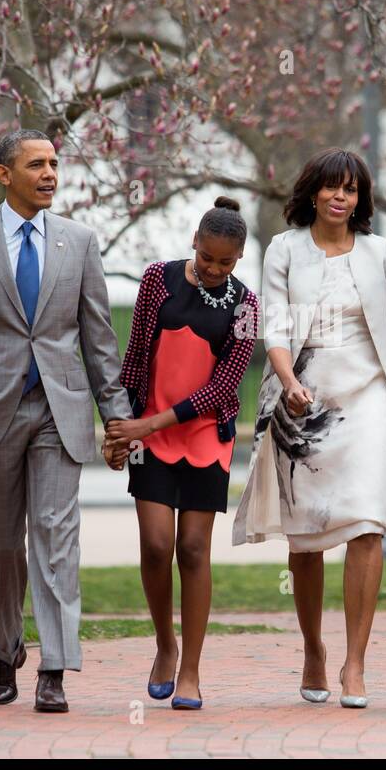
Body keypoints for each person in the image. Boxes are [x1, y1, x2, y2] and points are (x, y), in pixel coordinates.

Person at [232, 147, 386, 708]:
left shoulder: (379, 253)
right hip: (303, 405)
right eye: (332, 187)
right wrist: (288, 381)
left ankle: (354, 663)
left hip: (368, 404)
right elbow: (277, 329)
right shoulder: (285, 249)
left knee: (367, 524)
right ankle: (313, 647)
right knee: (307, 537)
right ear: (313, 191)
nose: (341, 197)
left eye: (352, 189)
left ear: (360, 200)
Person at [0, 128, 132, 713]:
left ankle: (55, 666)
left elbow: (98, 338)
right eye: (36, 164)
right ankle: (4, 650)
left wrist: (115, 414)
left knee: (54, 535)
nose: (49, 174)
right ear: (4, 174)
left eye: (54, 164)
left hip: (58, 413)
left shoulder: (80, 241)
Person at [105, 197, 260, 711]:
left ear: (238, 258)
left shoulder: (246, 306)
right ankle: (165, 645)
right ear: (195, 240)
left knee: (193, 549)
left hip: (203, 436)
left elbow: (223, 388)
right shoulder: (156, 280)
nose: (216, 270)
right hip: (149, 430)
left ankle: (191, 668)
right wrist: (121, 431)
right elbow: (136, 359)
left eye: (227, 263)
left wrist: (149, 424)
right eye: (209, 257)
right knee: (155, 545)